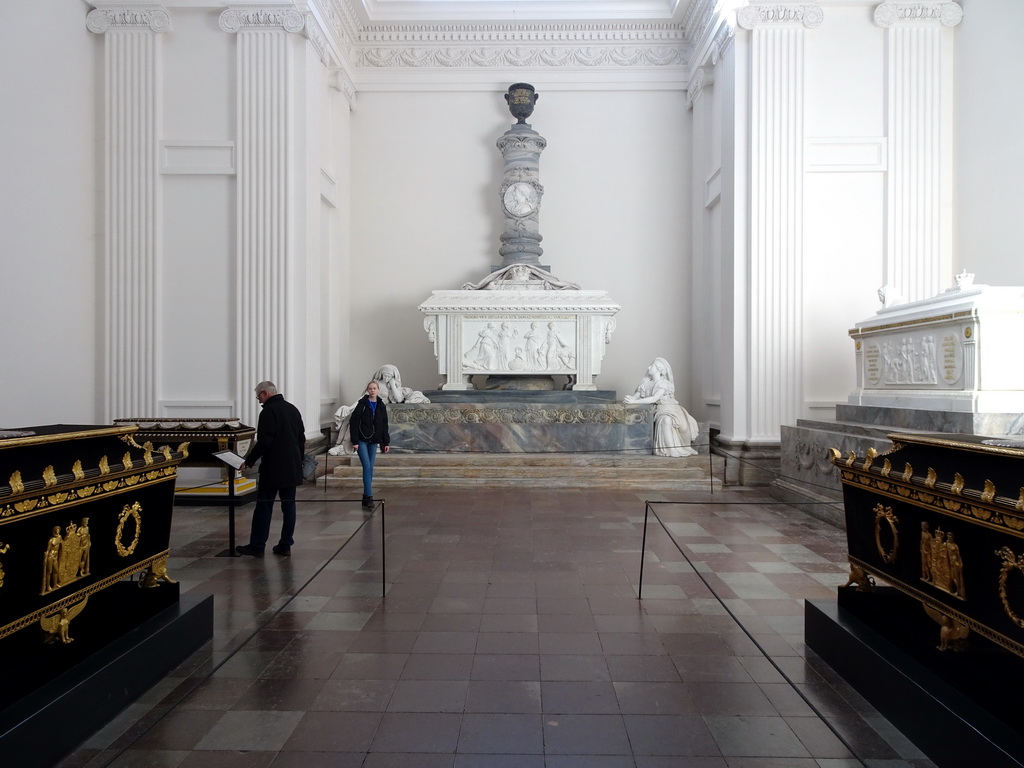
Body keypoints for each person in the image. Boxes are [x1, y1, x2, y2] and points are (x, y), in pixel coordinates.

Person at [236, 381, 305, 558]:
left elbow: (264, 442)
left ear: (265, 393)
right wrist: (300, 461)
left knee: (264, 508)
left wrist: (249, 461)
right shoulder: (292, 409)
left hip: (273, 468)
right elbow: (301, 439)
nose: (258, 399)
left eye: (258, 396)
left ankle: (257, 546)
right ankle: (285, 545)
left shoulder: (268, 411)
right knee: (289, 508)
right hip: (292, 467)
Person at [330, 364, 428, 455]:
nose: (386, 378)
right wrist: (351, 407)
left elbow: (399, 399)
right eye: (385, 375)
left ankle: (358, 446)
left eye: (389, 376)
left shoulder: (393, 385)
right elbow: (363, 398)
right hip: (370, 407)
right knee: (352, 417)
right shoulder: (376, 384)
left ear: (393, 376)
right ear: (380, 374)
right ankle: (344, 446)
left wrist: (393, 385)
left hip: (380, 409)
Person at [623, 357, 698, 457]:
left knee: (684, 427)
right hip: (660, 410)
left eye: (652, 365)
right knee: (666, 420)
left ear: (659, 369)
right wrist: (629, 400)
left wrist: (634, 401)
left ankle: (687, 446)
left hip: (673, 408)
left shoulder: (663, 383)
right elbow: (635, 397)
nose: (649, 367)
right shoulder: (645, 384)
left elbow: (654, 398)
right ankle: (671, 450)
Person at [350, 379, 390, 508]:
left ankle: (365, 496)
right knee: (367, 466)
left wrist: (385, 442)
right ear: (367, 390)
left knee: (370, 468)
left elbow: (384, 425)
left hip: (374, 441)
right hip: (362, 440)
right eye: (370, 388)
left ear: (378, 390)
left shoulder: (381, 405)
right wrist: (355, 441)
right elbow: (354, 423)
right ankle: (369, 496)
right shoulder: (361, 404)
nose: (372, 390)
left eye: (374, 388)